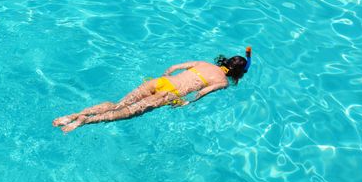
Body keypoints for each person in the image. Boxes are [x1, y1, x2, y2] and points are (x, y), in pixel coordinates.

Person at [53, 47, 252, 132]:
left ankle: (75, 115)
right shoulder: (222, 82)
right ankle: (85, 121)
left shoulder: (203, 63)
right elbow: (201, 93)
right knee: (123, 114)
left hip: (158, 83)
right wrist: (185, 103)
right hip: (168, 95)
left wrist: (166, 77)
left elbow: (174, 67)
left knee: (117, 104)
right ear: (237, 73)